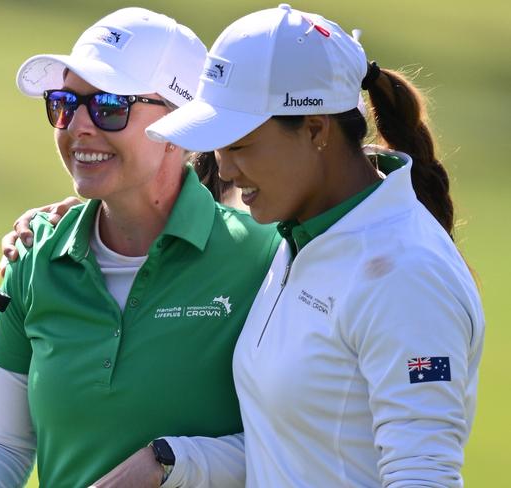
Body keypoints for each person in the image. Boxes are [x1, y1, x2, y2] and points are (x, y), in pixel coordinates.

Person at [77, 4, 484, 487]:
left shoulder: (405, 273)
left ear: (315, 129)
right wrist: (169, 461)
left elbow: (422, 476)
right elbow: (294, 447)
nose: (224, 170)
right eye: (218, 148)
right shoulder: (300, 236)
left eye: (240, 145)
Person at [0, 7, 280, 488]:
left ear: (183, 124)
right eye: (65, 103)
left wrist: (169, 463)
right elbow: (0, 441)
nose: (79, 126)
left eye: (109, 106)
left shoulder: (264, 257)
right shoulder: (35, 256)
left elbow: (303, 446)